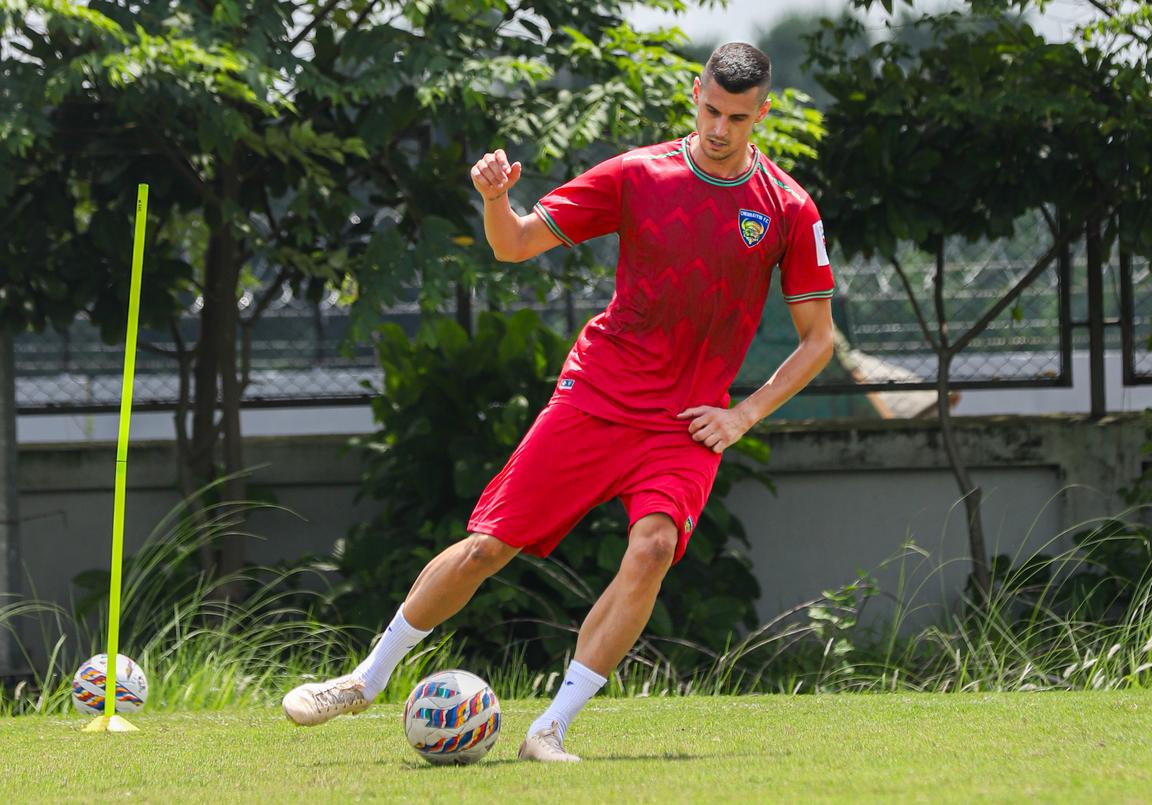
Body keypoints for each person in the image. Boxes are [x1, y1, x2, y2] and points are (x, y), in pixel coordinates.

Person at [282, 42, 835, 762]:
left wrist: (744, 413)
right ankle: (364, 678)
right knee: (487, 545)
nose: (720, 127)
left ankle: (550, 728)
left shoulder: (788, 207)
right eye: (709, 109)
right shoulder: (639, 174)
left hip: (684, 423)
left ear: (763, 111)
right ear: (694, 94)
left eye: (737, 116)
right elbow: (512, 245)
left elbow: (818, 338)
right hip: (597, 395)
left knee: (655, 546)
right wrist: (492, 199)